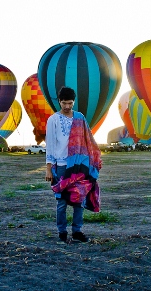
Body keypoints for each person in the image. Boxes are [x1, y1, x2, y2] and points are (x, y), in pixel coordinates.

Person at [45, 86, 102, 244]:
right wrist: (49, 168)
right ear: (59, 102)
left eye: (70, 103)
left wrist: (93, 159)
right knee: (62, 202)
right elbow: (50, 145)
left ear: (74, 102)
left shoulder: (80, 117)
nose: (67, 106)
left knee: (80, 199)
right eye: (64, 103)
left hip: (79, 165)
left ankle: (77, 231)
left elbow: (88, 139)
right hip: (61, 165)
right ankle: (62, 232)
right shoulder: (53, 120)